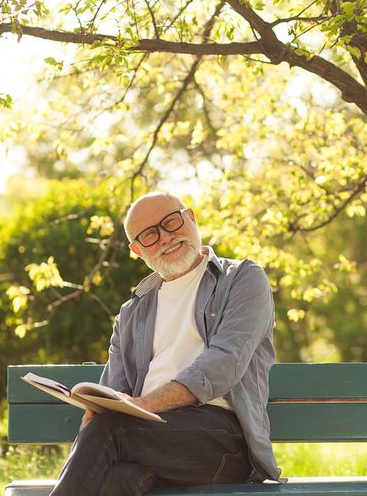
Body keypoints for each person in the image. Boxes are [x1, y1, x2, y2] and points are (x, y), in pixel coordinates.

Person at [51, 191, 281, 495]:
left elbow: (223, 364)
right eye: (149, 235)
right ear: (136, 250)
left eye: (171, 222)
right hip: (145, 438)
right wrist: (100, 407)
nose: (165, 238)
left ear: (191, 218)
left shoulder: (242, 279)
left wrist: (142, 405)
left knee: (111, 430)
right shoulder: (131, 312)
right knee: (117, 480)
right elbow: (116, 389)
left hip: (223, 444)